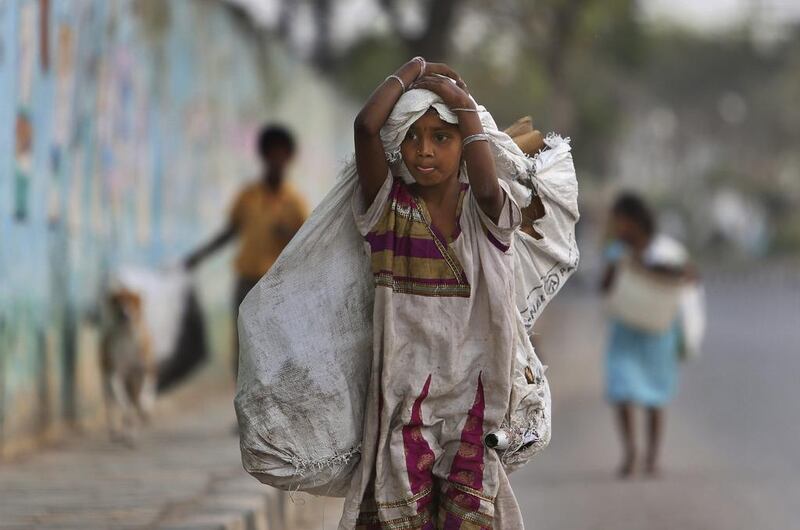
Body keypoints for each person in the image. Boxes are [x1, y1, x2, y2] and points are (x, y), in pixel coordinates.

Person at [339, 57, 541, 529]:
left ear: (466, 145)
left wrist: (462, 103)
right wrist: (415, 68)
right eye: (411, 137)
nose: (423, 151)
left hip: (474, 410)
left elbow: (487, 179)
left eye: (440, 137)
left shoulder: (485, 213)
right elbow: (366, 127)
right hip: (402, 410)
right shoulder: (387, 211)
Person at [184, 124, 307, 376]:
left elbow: (305, 245)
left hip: (276, 287)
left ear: (288, 158)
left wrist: (288, 236)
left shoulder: (295, 203)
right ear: (264, 156)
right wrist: (199, 256)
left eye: (281, 154)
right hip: (246, 282)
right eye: (271, 154)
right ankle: (241, 401)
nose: (276, 160)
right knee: (242, 347)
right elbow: (230, 232)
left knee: (272, 347)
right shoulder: (248, 196)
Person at [601, 193, 693, 478]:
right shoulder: (617, 252)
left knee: (655, 396)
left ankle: (652, 457)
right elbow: (604, 288)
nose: (617, 226)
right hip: (625, 332)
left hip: (657, 333)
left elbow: (688, 276)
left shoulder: (664, 250)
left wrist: (652, 269)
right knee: (621, 390)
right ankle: (630, 452)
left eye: (620, 220)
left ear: (634, 219)